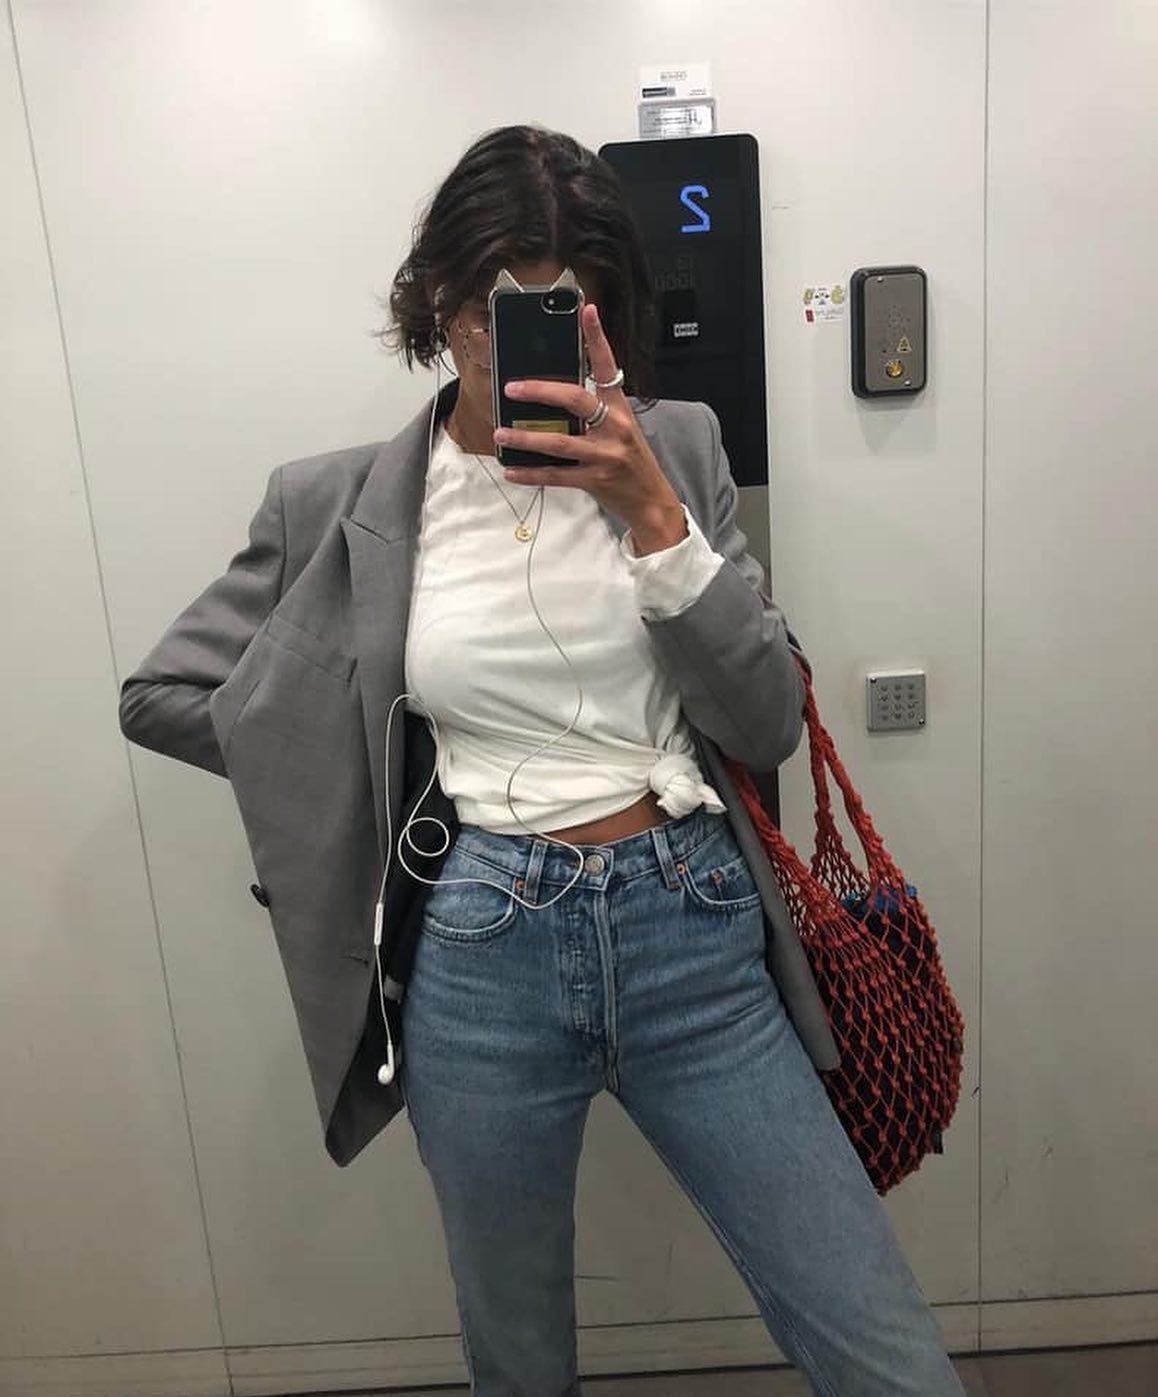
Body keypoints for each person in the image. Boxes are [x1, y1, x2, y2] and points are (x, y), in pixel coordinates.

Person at [120, 124, 965, 1396]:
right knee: (518, 1360)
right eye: (484, 308)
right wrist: (355, 770)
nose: (501, 343)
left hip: (695, 930)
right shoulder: (337, 504)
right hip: (477, 955)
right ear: (436, 298)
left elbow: (767, 721)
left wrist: (652, 516)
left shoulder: (680, 449)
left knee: (880, 1346)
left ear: (604, 315)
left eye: (556, 308)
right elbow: (165, 693)